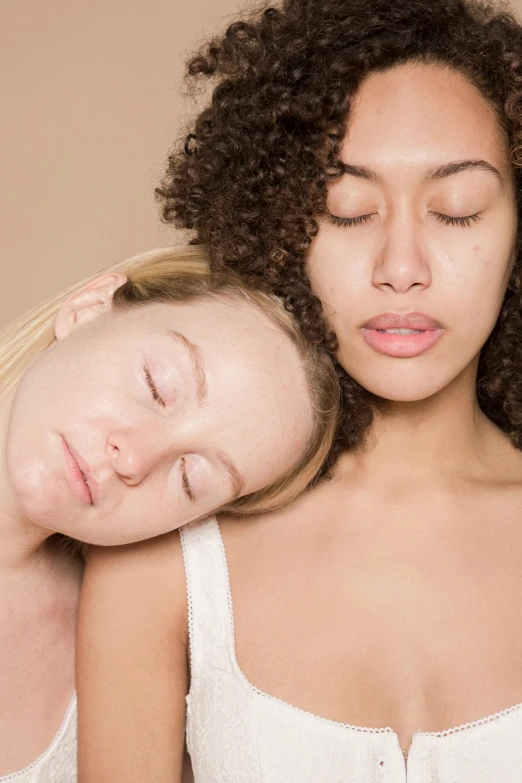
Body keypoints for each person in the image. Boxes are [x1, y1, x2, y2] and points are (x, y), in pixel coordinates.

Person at [77, 0, 522, 780]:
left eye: (457, 211)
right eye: (346, 210)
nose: (402, 265)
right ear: (279, 224)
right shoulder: (163, 555)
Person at [0, 245, 338, 782]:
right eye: (157, 387)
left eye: (190, 479)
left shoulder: (126, 682)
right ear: (88, 308)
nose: (134, 458)